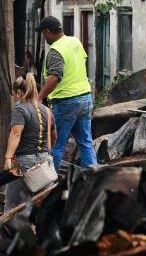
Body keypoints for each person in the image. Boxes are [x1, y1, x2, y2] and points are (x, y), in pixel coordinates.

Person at [35, 15, 97, 170]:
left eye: (43, 33)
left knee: (56, 145)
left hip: (66, 102)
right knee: (86, 142)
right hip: (85, 99)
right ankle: (93, 179)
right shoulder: (75, 42)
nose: (43, 37)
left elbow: (55, 77)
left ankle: (51, 186)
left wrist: (39, 97)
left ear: (48, 31)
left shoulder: (56, 49)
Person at [4, 74, 55, 212]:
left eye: (15, 94)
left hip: (24, 164)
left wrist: (8, 158)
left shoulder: (20, 110)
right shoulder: (48, 111)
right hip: (45, 164)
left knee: (11, 204)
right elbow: (52, 138)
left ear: (19, 93)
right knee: (44, 204)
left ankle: (8, 233)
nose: (15, 98)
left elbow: (16, 134)